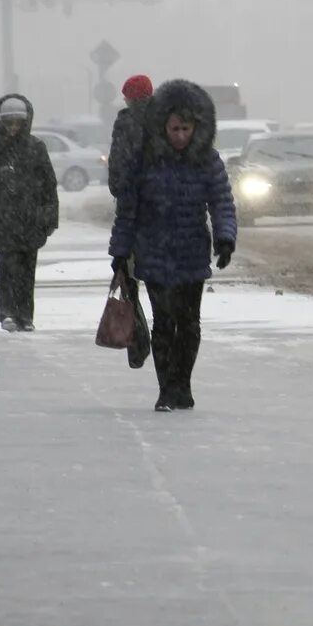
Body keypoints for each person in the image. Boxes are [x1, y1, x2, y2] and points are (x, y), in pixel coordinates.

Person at [108, 80, 237, 412]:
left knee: (189, 323)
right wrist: (120, 252)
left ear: (197, 128)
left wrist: (225, 238)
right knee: (163, 324)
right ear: (162, 127)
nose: (180, 135)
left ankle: (184, 384)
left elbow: (221, 201)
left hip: (191, 252)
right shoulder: (145, 161)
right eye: (174, 128)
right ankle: (166, 389)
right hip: (154, 252)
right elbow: (129, 210)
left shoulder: (207, 160)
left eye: (186, 128)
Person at [0, 94, 60, 333]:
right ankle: (7, 313)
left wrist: (49, 214)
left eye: (18, 123)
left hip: (29, 218)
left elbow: (49, 184)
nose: (13, 128)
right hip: (1, 216)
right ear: (0, 121)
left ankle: (25, 315)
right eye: (9, 123)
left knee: (27, 268)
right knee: (8, 266)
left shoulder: (36, 147)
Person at [108, 73, 153, 199]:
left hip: (130, 191)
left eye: (126, 96)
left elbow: (117, 158)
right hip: (159, 194)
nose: (124, 99)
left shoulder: (125, 122)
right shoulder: (162, 118)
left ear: (133, 97)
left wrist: (116, 186)